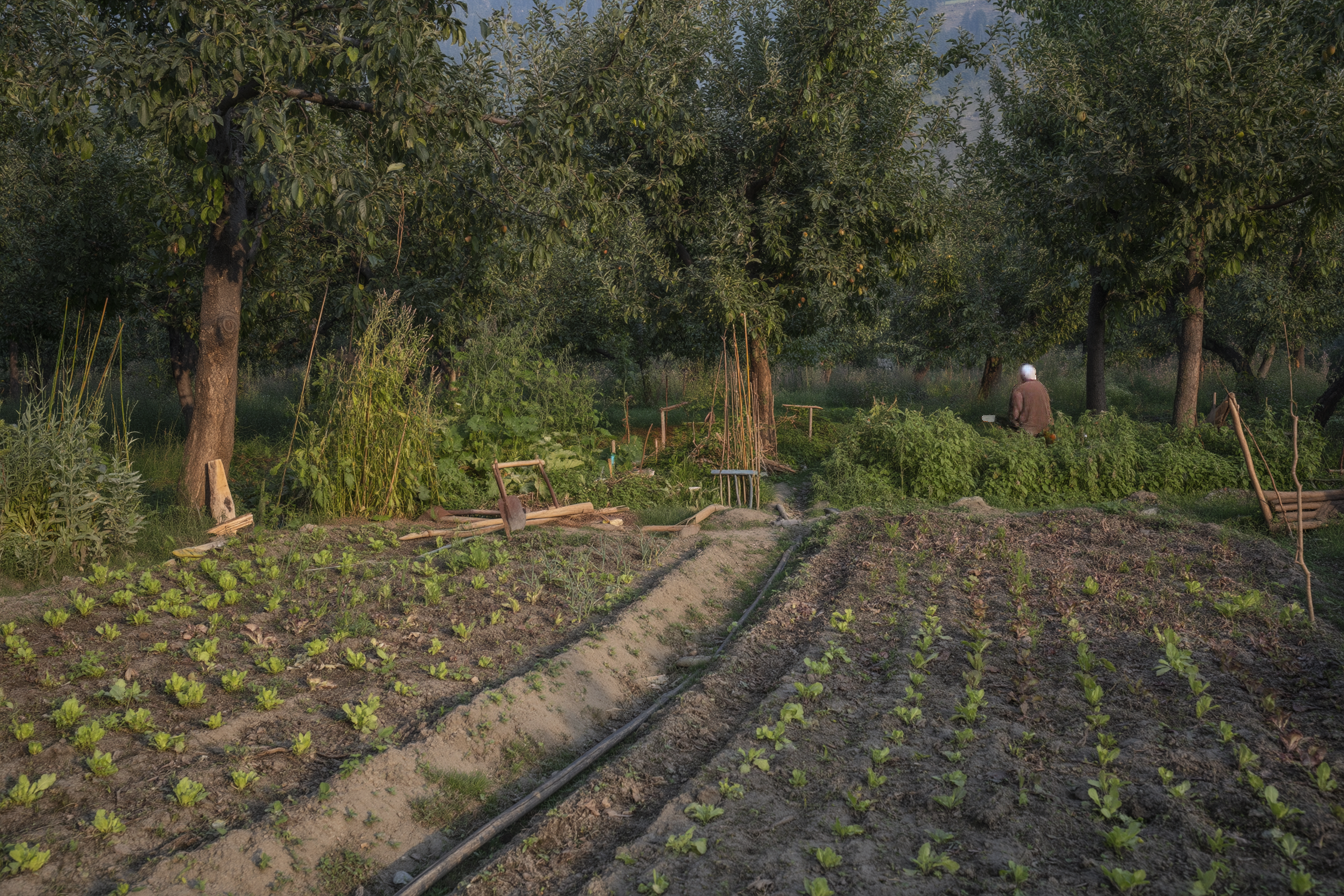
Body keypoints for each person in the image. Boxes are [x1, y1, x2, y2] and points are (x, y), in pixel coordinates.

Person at [1008, 364, 1052, 435]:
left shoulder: (1019, 390)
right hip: (1045, 430)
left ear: (1022, 375)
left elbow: (1015, 415)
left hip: (1027, 431)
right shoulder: (1042, 387)